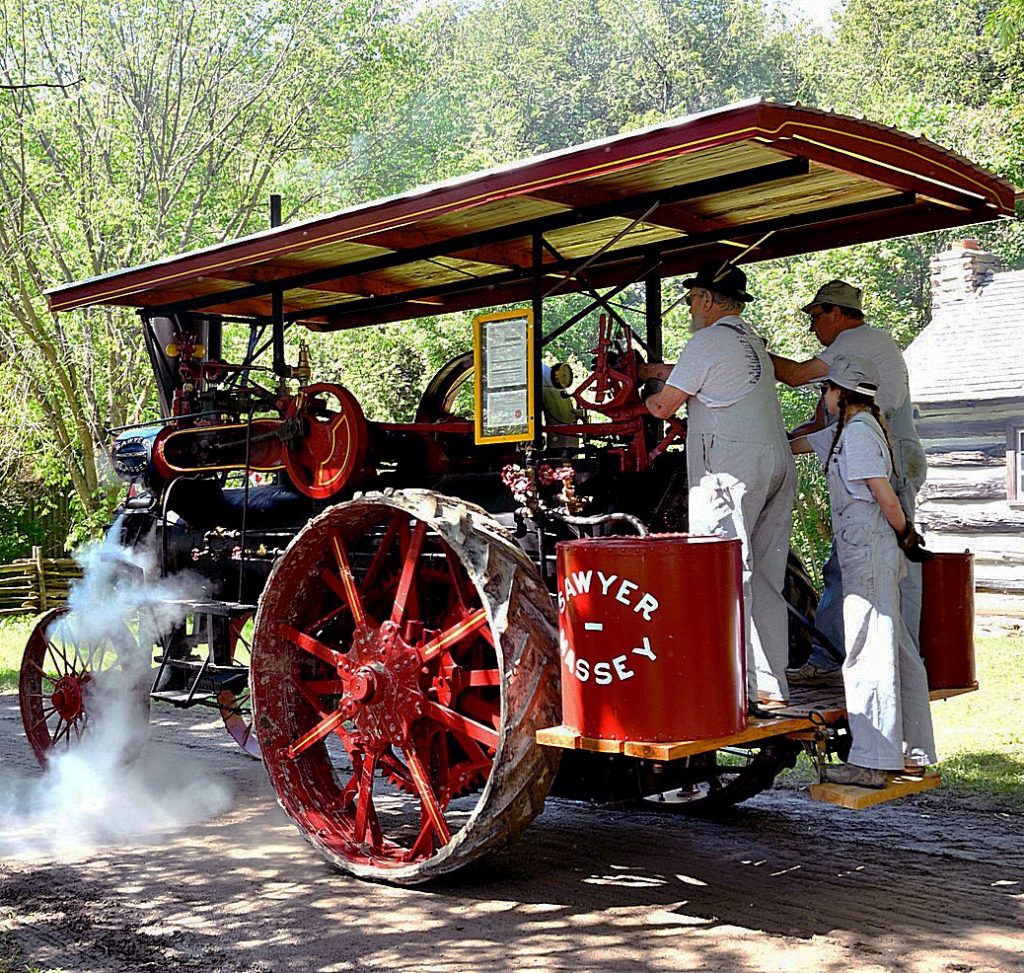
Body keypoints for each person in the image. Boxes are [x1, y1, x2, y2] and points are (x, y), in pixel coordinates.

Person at [641, 260, 795, 713]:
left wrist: (644, 392)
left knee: (723, 568)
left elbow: (664, 408)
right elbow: (710, 375)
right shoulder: (751, 342)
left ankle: (734, 687)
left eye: (692, 298)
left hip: (730, 467)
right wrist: (662, 367)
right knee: (766, 574)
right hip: (776, 461)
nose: (690, 306)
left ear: (707, 300)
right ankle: (771, 683)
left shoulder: (705, 340)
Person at [771, 280, 928, 685]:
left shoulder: (856, 345)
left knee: (884, 563)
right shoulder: (862, 361)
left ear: (836, 313)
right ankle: (884, 658)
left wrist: (745, 348)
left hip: (890, 458)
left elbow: (792, 375)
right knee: (856, 564)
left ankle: (861, 660)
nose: (812, 328)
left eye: (816, 317)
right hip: (893, 453)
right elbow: (814, 430)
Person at [790, 355, 936, 786]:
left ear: (841, 393)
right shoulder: (850, 430)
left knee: (866, 656)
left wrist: (907, 534)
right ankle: (911, 751)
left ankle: (873, 762)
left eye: (826, 390)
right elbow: (796, 444)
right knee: (900, 652)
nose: (823, 397)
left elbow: (885, 497)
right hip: (869, 553)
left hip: (869, 554)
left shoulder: (856, 435)